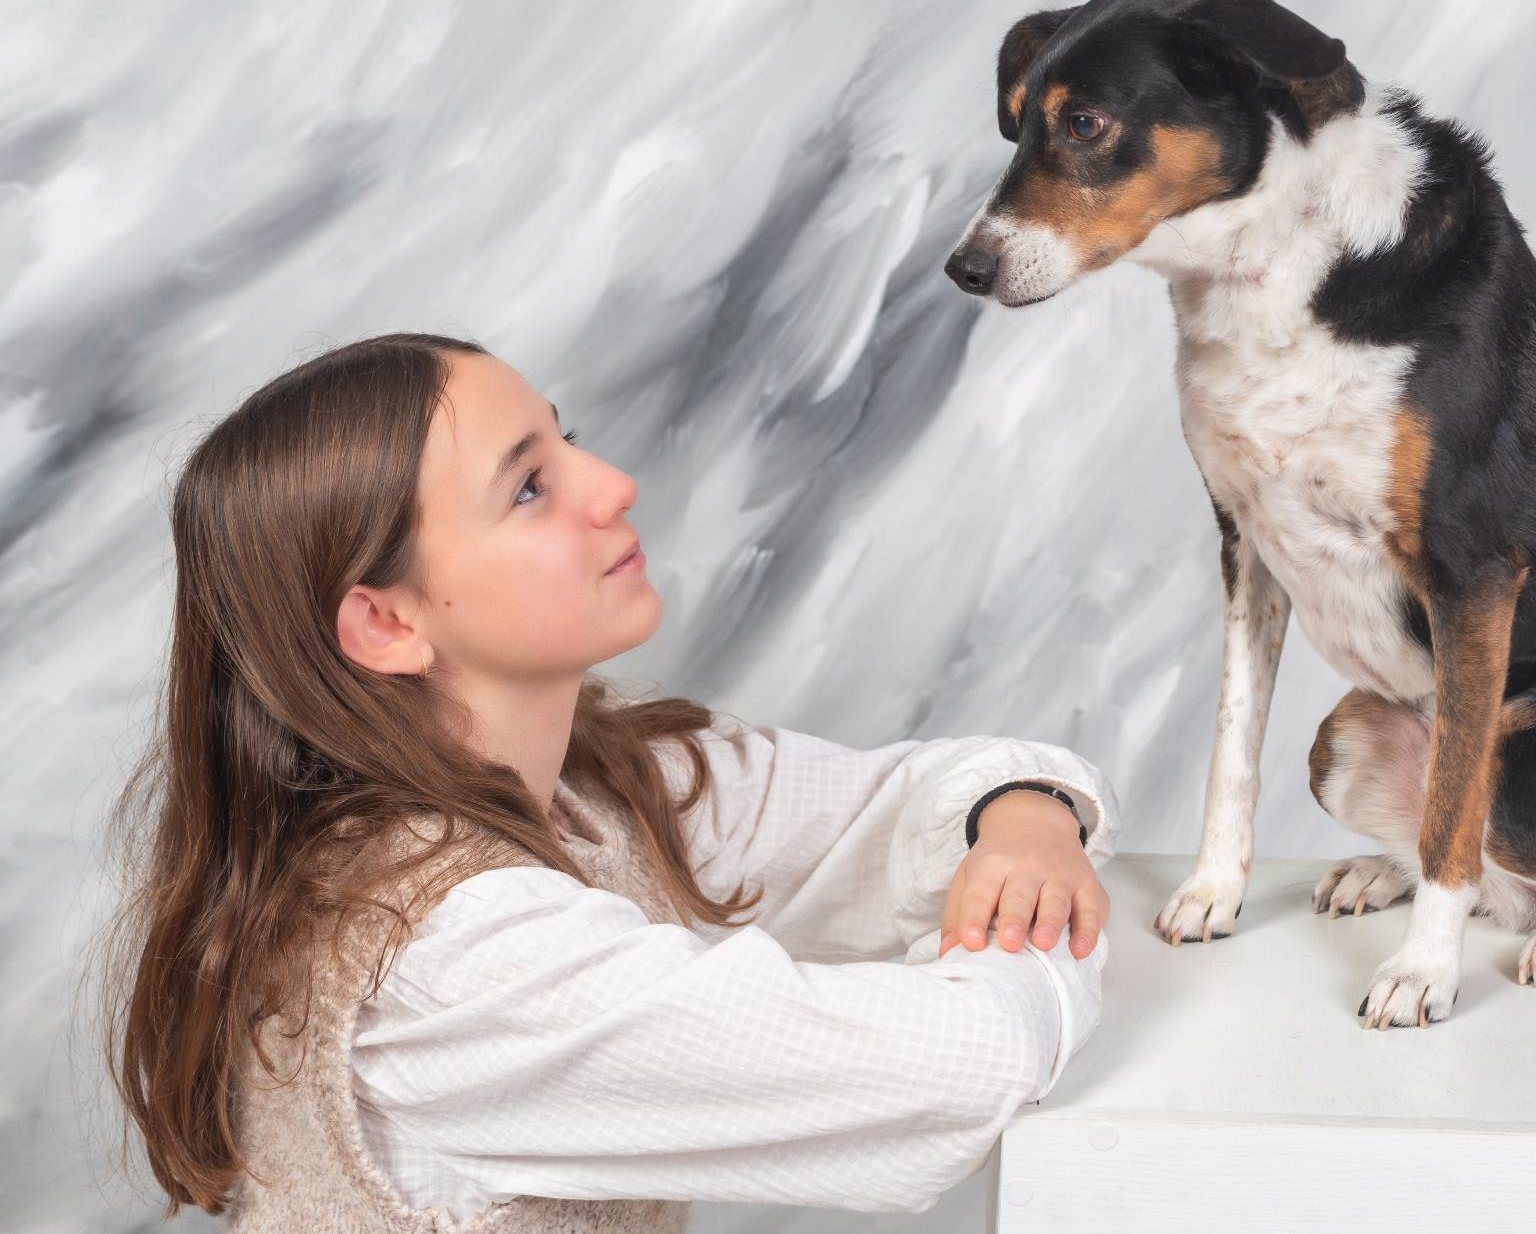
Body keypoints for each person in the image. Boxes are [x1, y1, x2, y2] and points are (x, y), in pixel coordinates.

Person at [98, 331, 1119, 1230]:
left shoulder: (605, 785)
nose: (612, 484)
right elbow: (962, 1065)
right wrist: (1047, 922)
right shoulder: (451, 962)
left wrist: (1020, 820)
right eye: (529, 487)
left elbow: (919, 799)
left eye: (566, 439)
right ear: (389, 624)